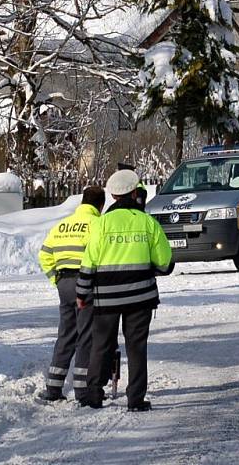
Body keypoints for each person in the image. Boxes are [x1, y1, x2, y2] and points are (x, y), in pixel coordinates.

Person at [77, 169, 172, 411]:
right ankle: (136, 399)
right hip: (141, 298)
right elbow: (164, 262)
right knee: (136, 347)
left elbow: (89, 262)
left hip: (106, 300)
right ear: (134, 192)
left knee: (101, 345)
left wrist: (81, 293)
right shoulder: (147, 221)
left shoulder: (102, 223)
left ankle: (94, 395)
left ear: (113, 195)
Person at [37, 185, 106, 402]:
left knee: (66, 335)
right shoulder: (98, 224)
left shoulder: (62, 225)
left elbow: (44, 254)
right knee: (86, 335)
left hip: (64, 284)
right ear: (101, 205)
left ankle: (53, 388)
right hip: (85, 284)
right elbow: (103, 255)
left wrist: (55, 279)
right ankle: (82, 390)